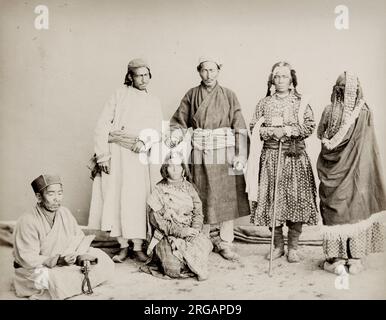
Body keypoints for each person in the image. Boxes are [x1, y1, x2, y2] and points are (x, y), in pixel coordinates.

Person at [167, 56, 250, 261]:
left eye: (213, 70)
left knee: (227, 198)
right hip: (200, 153)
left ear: (219, 71)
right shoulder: (192, 94)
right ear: (199, 71)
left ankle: (226, 241)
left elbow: (239, 126)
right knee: (200, 196)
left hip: (225, 153)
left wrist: (240, 155)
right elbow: (179, 120)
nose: (209, 75)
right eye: (204, 70)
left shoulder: (229, 95)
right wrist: (176, 134)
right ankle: (201, 240)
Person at [88, 58, 163, 263]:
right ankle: (122, 246)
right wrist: (102, 154)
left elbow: (157, 129)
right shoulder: (119, 95)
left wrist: (144, 141)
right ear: (130, 76)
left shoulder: (153, 101)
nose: (143, 79)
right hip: (117, 154)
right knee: (117, 197)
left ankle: (138, 246)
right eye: (139, 75)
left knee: (137, 198)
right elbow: (102, 124)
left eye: (147, 74)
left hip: (138, 156)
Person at [247, 61, 319, 263]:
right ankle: (278, 245)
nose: (280, 80)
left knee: (296, 200)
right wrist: (271, 132)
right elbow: (254, 128)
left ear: (292, 80)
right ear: (272, 79)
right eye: (277, 76)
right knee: (273, 201)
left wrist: (287, 131)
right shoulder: (264, 103)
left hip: (294, 158)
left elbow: (309, 126)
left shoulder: (301, 102)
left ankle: (293, 247)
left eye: (284, 76)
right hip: (271, 158)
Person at [317, 72, 386, 274]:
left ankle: (337, 259)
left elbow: (320, 134)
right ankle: (353, 259)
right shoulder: (364, 111)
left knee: (338, 209)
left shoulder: (330, 110)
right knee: (353, 209)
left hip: (341, 171)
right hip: (356, 171)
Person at [12, 174, 114, 300]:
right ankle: (64, 285)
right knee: (53, 279)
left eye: (60, 193)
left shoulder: (64, 212)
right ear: (39, 197)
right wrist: (57, 261)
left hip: (65, 261)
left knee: (103, 259)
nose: (57, 199)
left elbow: (78, 238)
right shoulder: (27, 220)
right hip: (38, 268)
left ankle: (68, 283)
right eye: (51, 194)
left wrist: (79, 256)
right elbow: (27, 258)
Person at [145, 153, 213, 280]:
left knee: (202, 246)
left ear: (183, 168)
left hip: (190, 230)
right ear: (166, 169)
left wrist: (195, 230)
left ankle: (194, 265)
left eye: (178, 166)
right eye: (171, 166)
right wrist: (181, 232)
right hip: (167, 233)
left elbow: (198, 212)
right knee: (173, 269)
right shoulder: (158, 190)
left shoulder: (189, 187)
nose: (175, 169)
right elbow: (156, 219)